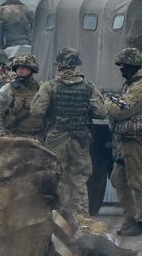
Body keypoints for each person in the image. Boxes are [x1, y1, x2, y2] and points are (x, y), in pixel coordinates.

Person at [30, 47, 107, 218]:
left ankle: (59, 219)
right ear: (76, 66)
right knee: (79, 181)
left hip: (56, 140)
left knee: (57, 179)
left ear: (59, 65)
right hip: (80, 140)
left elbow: (36, 111)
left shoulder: (49, 86)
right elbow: (101, 112)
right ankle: (81, 221)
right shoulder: (89, 87)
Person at [103, 46, 142, 236]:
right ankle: (130, 219)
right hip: (125, 140)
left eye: (124, 66)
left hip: (135, 140)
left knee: (137, 180)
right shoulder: (133, 84)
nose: (121, 70)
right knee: (118, 179)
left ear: (133, 66)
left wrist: (108, 103)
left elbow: (121, 110)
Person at [0, 53, 43, 139]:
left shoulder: (41, 89)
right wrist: (1, 134)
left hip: (36, 138)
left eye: (24, 68)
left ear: (32, 69)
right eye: (18, 67)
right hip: (13, 139)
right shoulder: (7, 89)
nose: (20, 70)